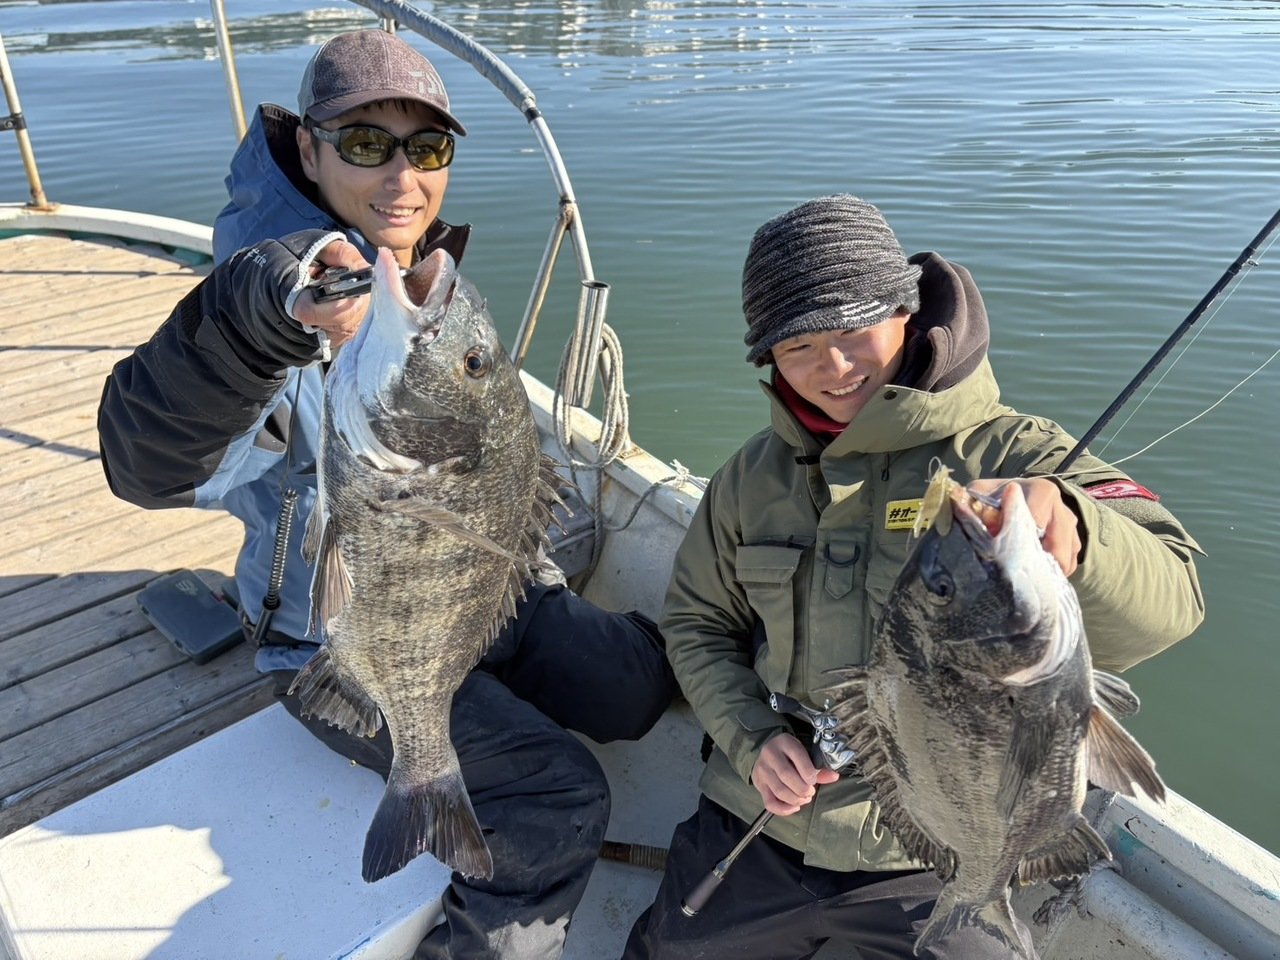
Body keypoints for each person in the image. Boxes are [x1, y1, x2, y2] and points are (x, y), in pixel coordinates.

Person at [96, 28, 677, 960]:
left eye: (427, 146)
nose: (404, 176)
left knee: (636, 687)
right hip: (341, 641)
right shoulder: (280, 305)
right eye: (367, 144)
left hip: (476, 589)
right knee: (557, 794)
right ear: (309, 148)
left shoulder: (418, 284)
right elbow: (149, 467)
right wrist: (258, 326)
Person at [621, 194, 1205, 959]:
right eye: (798, 346)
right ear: (768, 359)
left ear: (906, 312)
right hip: (757, 822)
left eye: (853, 332)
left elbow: (1176, 598)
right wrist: (751, 738)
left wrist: (1077, 524)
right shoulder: (750, 477)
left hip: (931, 856)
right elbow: (696, 624)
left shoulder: (1023, 453)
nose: (833, 368)